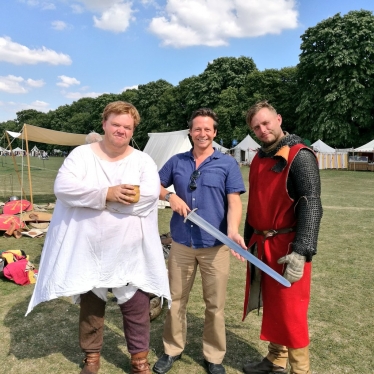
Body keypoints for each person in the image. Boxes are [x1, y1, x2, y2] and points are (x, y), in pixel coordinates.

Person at [26, 101, 171, 374]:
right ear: (104, 124)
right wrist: (106, 194)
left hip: (130, 248)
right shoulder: (82, 156)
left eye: (127, 127)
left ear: (133, 130)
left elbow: (149, 197)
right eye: (116, 124)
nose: (121, 130)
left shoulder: (142, 160)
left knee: (137, 305)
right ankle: (91, 357)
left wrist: (100, 199)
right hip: (89, 245)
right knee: (92, 304)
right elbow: (64, 188)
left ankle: (139, 359)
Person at [153, 108, 246, 374]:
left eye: (207, 129)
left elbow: (234, 201)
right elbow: (154, 185)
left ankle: (214, 356)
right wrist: (170, 197)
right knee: (176, 299)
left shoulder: (227, 163)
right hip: (182, 243)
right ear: (190, 132)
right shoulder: (176, 161)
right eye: (197, 129)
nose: (202, 133)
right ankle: (172, 349)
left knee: (215, 304)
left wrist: (232, 231)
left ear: (215, 133)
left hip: (214, 246)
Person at [242, 101, 323, 374]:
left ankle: (300, 370)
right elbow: (255, 204)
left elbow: (311, 203)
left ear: (278, 118)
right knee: (273, 306)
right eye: (256, 127)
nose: (263, 130)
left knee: (291, 311)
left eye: (266, 123)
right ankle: (276, 359)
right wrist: (247, 241)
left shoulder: (300, 155)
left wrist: (302, 251)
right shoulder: (259, 158)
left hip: (288, 247)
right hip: (262, 245)